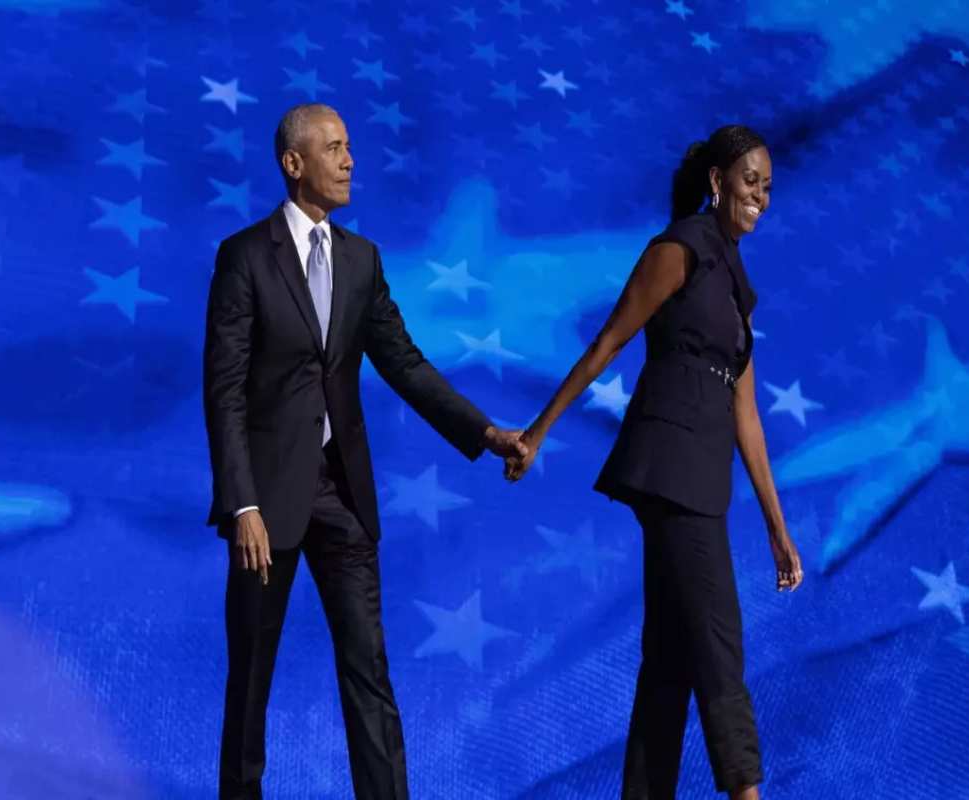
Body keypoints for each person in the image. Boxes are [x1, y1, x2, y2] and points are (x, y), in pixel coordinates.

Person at [203, 103, 526, 800]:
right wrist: (242, 503)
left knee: (369, 670)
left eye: (350, 147)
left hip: (342, 493)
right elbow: (223, 391)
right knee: (251, 673)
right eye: (335, 148)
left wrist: (483, 431)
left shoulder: (361, 260)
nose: (351, 161)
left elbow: (404, 364)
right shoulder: (245, 258)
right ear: (294, 164)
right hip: (267, 502)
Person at [507, 124, 803, 799]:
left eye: (768, 186)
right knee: (720, 645)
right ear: (717, 182)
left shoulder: (735, 287)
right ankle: (748, 791)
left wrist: (776, 528)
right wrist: (539, 430)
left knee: (670, 658)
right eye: (750, 179)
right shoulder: (680, 249)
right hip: (668, 465)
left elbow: (747, 416)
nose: (760, 193)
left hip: (705, 477)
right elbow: (609, 341)